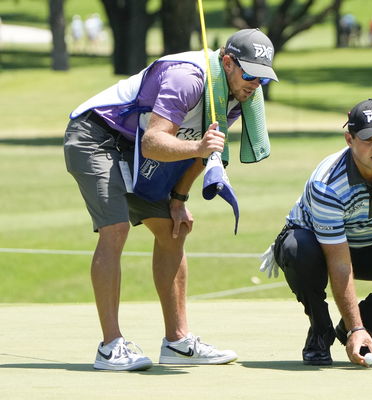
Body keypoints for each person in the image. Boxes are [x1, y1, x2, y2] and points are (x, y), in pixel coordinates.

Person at [64, 28, 278, 371]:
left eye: (263, 78)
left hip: (135, 146)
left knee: (174, 229)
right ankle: (110, 346)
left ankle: (177, 342)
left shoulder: (240, 96)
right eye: (250, 74)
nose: (255, 84)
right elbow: (155, 142)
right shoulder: (187, 79)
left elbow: (206, 151)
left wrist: (178, 199)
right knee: (116, 228)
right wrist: (199, 147)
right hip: (95, 135)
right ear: (227, 62)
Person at [259, 99, 372, 367]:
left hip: (371, 243)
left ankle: (360, 329)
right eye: (369, 140)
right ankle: (321, 332)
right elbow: (339, 261)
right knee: (297, 250)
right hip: (315, 246)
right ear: (349, 139)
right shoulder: (328, 182)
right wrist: (356, 327)